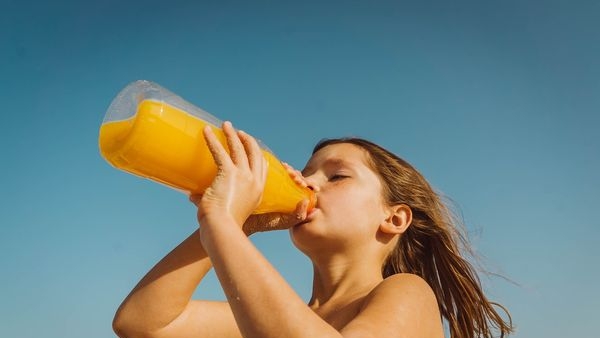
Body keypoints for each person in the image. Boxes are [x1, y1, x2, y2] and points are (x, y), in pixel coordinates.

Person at [112, 121, 513, 338]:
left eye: (336, 176)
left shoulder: (406, 292)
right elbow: (143, 323)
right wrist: (237, 224)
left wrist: (221, 224)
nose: (308, 184)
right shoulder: (275, 319)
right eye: (304, 175)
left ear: (394, 219)